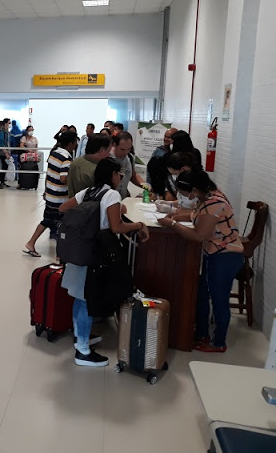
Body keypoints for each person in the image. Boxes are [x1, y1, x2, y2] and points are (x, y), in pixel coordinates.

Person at [60, 158, 149, 367]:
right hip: (96, 252)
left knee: (80, 295)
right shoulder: (112, 194)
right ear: (112, 175)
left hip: (80, 249)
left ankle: (79, 337)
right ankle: (82, 351)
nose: (120, 178)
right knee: (87, 298)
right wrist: (138, 224)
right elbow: (116, 228)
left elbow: (64, 208)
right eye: (119, 174)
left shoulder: (88, 192)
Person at [158, 168, 242, 352]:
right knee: (202, 294)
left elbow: (199, 235)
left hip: (225, 256)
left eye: (184, 193)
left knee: (219, 299)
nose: (183, 197)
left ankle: (219, 343)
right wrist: (176, 216)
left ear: (194, 190)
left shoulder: (215, 202)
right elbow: (196, 216)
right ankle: (202, 333)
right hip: (214, 254)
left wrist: (172, 224)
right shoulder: (206, 198)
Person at [24, 131, 77, 257]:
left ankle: (31, 243)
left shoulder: (54, 153)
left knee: (47, 221)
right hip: (60, 198)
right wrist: (74, 179)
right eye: (75, 142)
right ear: (70, 143)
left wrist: (46, 190)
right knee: (62, 226)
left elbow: (49, 173)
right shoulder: (66, 158)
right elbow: (63, 179)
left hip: (51, 195)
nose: (76, 145)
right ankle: (61, 254)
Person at [111, 131, 146, 200]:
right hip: (109, 202)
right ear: (114, 144)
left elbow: (133, 176)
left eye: (128, 149)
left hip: (123, 199)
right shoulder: (107, 158)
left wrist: (146, 186)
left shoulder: (129, 157)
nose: (125, 152)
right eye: (122, 149)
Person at [0, 120, 11, 189]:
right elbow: (1, 142)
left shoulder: (7, 132)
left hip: (7, 151)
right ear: (5, 124)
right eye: (8, 123)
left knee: (5, 167)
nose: (10, 124)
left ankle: (2, 181)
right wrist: (6, 152)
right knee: (3, 166)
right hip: (2, 152)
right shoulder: (2, 132)